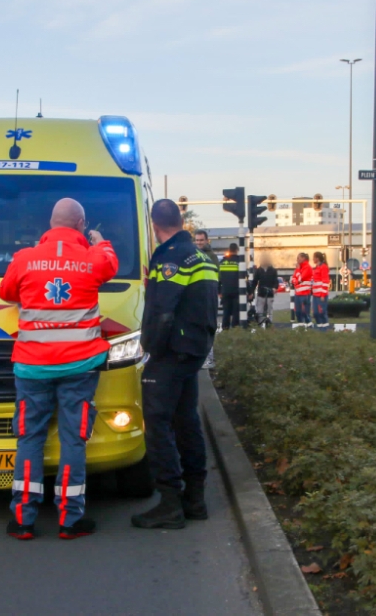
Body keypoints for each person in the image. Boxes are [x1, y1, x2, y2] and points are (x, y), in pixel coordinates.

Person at [0, 198, 118, 541]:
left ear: (50, 225)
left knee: (30, 438)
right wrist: (100, 241)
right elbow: (110, 264)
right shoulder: (92, 258)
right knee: (73, 440)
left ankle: (23, 519)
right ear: (80, 224)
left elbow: (6, 292)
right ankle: (70, 518)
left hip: (33, 366)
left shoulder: (25, 258)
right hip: (79, 366)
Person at [133, 199, 218, 530]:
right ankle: (194, 500)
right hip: (194, 349)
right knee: (186, 421)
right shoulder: (201, 256)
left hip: (171, 351)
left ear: (155, 227)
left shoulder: (170, 258)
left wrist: (148, 347)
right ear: (181, 221)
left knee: (157, 422)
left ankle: (169, 502)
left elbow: (163, 311)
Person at [194, 230, 218, 368]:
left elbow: (215, 276)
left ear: (207, 241)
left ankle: (209, 358)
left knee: (208, 327)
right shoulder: (193, 256)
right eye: (197, 240)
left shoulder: (212, 257)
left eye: (201, 240)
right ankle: (199, 357)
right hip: (196, 298)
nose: (199, 243)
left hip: (209, 296)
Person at [218, 242, 241, 329]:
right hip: (236, 291)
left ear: (229, 250)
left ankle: (225, 330)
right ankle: (235, 331)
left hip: (225, 291)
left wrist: (219, 291)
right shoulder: (239, 261)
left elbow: (218, 278)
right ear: (237, 250)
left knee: (226, 313)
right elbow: (244, 278)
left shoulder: (222, 262)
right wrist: (249, 291)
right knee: (236, 313)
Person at [251, 256, 279, 326]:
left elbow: (276, 282)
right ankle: (260, 324)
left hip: (270, 294)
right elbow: (255, 282)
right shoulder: (259, 270)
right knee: (260, 311)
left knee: (269, 310)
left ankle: (269, 323)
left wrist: (274, 288)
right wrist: (251, 292)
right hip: (261, 294)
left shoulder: (273, 271)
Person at [291, 252, 313, 326]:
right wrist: (296, 280)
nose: (297, 259)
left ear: (303, 258)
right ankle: (301, 326)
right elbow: (293, 279)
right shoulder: (300, 267)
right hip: (298, 293)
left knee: (304, 311)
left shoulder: (307, 267)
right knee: (298, 311)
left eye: (298, 258)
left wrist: (297, 272)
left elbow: (300, 278)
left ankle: (309, 325)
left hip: (305, 293)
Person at [311, 251, 330, 328]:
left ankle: (325, 326)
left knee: (322, 311)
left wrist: (323, 295)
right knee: (315, 312)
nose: (313, 259)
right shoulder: (316, 268)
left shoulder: (323, 267)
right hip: (315, 294)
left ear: (317, 258)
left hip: (321, 295)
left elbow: (325, 282)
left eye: (314, 258)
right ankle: (319, 325)